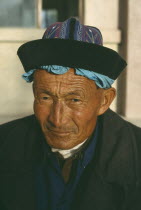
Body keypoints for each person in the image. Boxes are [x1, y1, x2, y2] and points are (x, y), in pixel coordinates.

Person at [0, 17, 141, 210]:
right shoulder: (4, 142)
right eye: (45, 98)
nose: (57, 119)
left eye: (74, 100)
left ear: (104, 101)